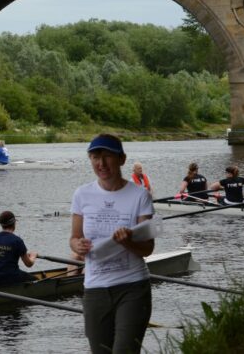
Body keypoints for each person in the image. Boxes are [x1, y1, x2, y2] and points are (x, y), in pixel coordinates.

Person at [69, 134, 155, 354]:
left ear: (122, 159)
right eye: (95, 157)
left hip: (132, 286)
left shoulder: (140, 196)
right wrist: (77, 246)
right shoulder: (82, 194)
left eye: (107, 157)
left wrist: (128, 243)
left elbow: (148, 248)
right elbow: (74, 237)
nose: (101, 164)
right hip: (95, 288)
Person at [0, 210, 37, 286]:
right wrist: (33, 256)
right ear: (14, 223)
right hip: (11, 278)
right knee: (36, 280)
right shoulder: (17, 241)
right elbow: (29, 264)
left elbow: (6, 252)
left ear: (1, 224)